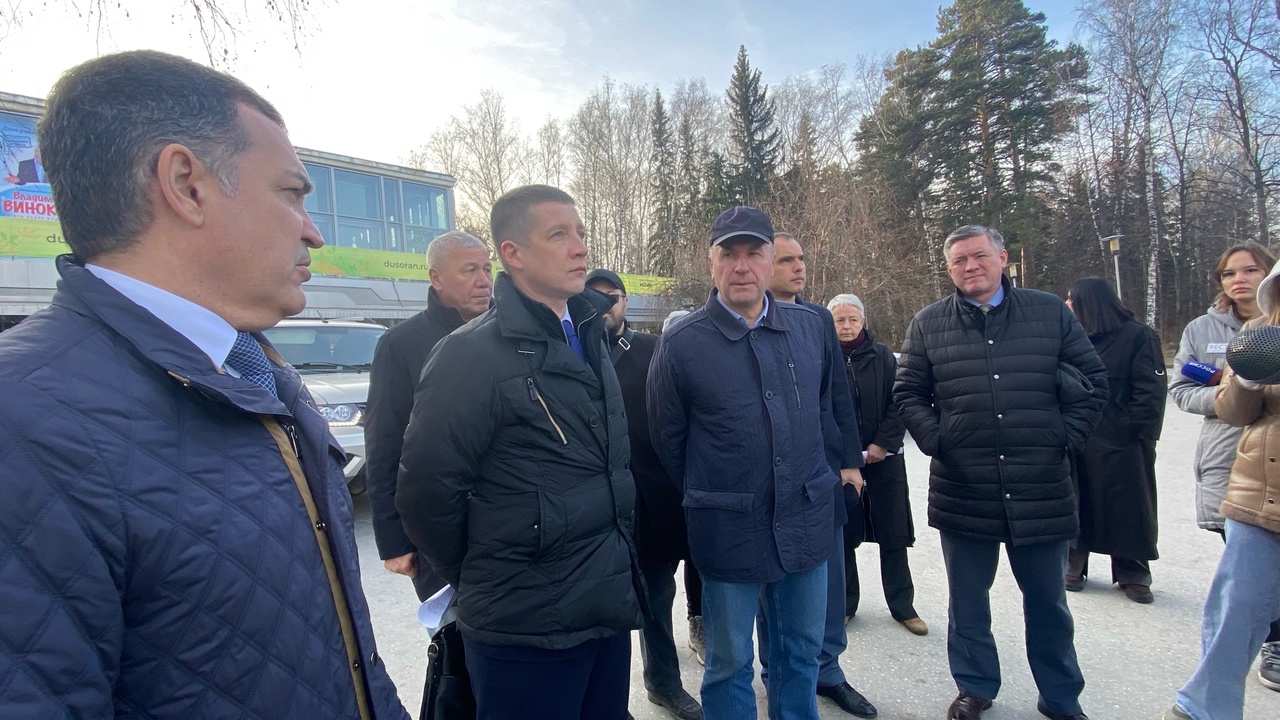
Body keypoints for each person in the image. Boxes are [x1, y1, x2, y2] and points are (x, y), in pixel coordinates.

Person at [0, 50, 407, 719]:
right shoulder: (22, 419)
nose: (313, 232)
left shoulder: (253, 369)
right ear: (186, 184)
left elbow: (336, 649)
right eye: (291, 193)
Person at [396, 185, 643, 720]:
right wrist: (488, 571)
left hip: (603, 604)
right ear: (513, 253)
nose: (580, 247)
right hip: (524, 623)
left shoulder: (590, 334)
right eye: (558, 235)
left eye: (580, 233)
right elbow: (425, 492)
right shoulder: (470, 353)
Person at [648, 206, 862, 720]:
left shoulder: (811, 327)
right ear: (711, 263)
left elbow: (826, 409)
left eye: (753, 253)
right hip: (729, 529)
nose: (741, 266)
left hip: (806, 520)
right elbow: (668, 440)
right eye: (729, 254)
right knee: (729, 662)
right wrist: (719, 488)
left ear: (770, 261)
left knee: (799, 653)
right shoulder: (682, 342)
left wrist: (831, 472)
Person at [895, 224, 1107, 720]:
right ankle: (975, 686)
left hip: (1040, 483)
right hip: (964, 486)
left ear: (1003, 257)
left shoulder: (1050, 312)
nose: (970, 267)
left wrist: (1065, 437)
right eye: (959, 261)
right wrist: (939, 440)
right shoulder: (929, 324)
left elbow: (1093, 381)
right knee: (968, 601)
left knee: (1049, 602)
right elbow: (908, 393)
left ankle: (1060, 696)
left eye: (979, 256)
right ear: (949, 269)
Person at [762, 233, 877, 718]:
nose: (799, 267)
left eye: (801, 259)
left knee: (825, 585)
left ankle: (827, 670)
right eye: (786, 260)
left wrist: (850, 462)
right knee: (773, 585)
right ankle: (775, 672)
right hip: (769, 480)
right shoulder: (748, 322)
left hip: (821, 474)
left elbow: (836, 399)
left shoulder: (816, 320)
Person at [587, 268, 703, 720]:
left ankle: (663, 683)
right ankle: (606, 702)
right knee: (602, 605)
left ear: (625, 301)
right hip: (595, 506)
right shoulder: (572, 354)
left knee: (657, 596)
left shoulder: (655, 351)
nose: (604, 305)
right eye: (593, 297)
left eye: (612, 296)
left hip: (653, 501)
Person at [1166, 259, 1280, 720]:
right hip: (1259, 487)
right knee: (1237, 604)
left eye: (1249, 271)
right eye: (1229, 273)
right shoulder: (1257, 333)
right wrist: (1246, 379)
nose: (1239, 280)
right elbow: (1231, 410)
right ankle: (1203, 708)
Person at [364, 230, 492, 602]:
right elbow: (385, 441)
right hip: (438, 528)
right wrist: (393, 540)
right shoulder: (402, 343)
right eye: (469, 270)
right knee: (454, 631)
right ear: (436, 277)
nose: (484, 281)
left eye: (487, 269)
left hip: (507, 520)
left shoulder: (508, 334)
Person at [827, 293, 927, 636]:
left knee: (893, 531)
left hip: (884, 459)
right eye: (839, 320)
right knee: (844, 533)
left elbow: (899, 401)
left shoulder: (883, 356)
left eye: (852, 319)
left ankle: (903, 606)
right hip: (842, 463)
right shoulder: (824, 358)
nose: (846, 326)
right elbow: (821, 408)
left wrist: (882, 443)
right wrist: (844, 452)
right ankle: (845, 605)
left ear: (863, 321)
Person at [1063, 277, 1167, 603]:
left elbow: (1150, 391)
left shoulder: (1138, 336)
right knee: (1076, 499)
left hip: (1123, 439)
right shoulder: (1072, 338)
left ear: (1090, 302)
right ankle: (1074, 562)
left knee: (1129, 505)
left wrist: (1130, 430)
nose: (1067, 305)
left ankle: (1133, 571)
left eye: (1071, 299)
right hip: (1079, 434)